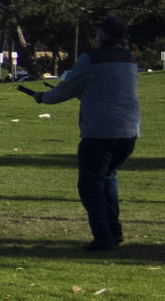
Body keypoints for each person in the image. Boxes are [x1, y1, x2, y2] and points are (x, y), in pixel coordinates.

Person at [21, 16, 140, 251]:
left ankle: (103, 237)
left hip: (99, 132)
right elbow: (104, 89)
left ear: (104, 35)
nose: (96, 36)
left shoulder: (91, 59)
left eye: (99, 32)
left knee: (89, 185)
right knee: (107, 177)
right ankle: (114, 232)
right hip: (129, 131)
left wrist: (43, 97)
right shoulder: (129, 60)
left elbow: (65, 89)